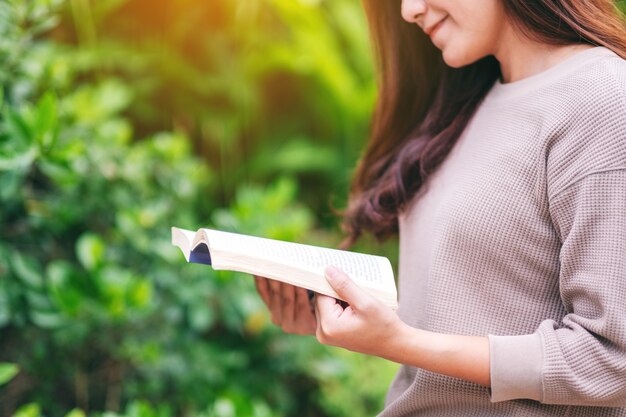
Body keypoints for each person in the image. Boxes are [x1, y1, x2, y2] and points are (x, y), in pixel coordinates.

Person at [255, 0, 626, 414]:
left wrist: (402, 342)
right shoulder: (468, 99)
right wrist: (348, 318)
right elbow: (471, 311)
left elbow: (613, 360)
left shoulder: (601, 97)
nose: (408, 11)